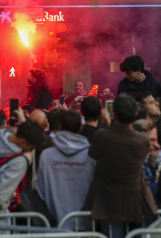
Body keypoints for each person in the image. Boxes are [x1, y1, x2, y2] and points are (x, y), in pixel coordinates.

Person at [83, 94, 154, 238]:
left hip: (107, 201)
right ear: (135, 114)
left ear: (113, 113)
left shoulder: (102, 136)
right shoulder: (142, 140)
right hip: (134, 200)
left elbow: (93, 154)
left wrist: (104, 123)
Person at [0, 120, 44, 222]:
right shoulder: (19, 161)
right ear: (23, 142)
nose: (29, 151)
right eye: (30, 148)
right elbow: (0, 191)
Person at [37, 110, 94, 230]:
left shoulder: (47, 155)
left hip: (55, 221)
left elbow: (40, 188)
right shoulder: (90, 155)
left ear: (60, 126)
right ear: (81, 127)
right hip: (82, 221)